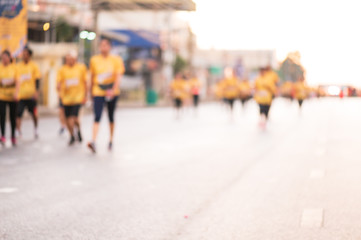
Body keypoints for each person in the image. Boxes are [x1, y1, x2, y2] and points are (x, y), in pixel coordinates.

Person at [87, 38, 125, 153]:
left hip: (112, 92)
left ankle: (111, 140)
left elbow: (118, 76)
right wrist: (89, 92)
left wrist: (113, 89)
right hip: (98, 91)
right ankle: (93, 140)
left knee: (111, 116)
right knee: (97, 116)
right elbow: (92, 76)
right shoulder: (94, 60)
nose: (103, 47)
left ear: (109, 47)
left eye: (106, 45)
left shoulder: (116, 60)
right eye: (101, 45)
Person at [57, 51, 87, 146]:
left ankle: (78, 130)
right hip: (66, 99)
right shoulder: (62, 70)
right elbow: (59, 82)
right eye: (67, 59)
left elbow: (85, 82)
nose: (69, 61)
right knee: (68, 119)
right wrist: (59, 88)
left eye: (71, 59)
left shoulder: (81, 68)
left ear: (75, 59)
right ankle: (72, 136)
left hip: (78, 97)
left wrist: (86, 96)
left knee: (74, 118)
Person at [16, 47, 41, 139]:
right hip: (21, 95)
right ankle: (18, 130)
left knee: (34, 113)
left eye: (26, 54)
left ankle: (36, 128)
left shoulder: (34, 66)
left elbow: (37, 79)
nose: (24, 56)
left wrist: (36, 92)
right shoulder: (18, 66)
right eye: (23, 54)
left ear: (29, 55)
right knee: (18, 113)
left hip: (31, 95)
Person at [0, 50, 19, 146]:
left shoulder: (14, 68)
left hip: (12, 97)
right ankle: (2, 135)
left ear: (9, 58)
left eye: (5, 58)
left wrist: (16, 93)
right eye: (2, 58)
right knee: (2, 115)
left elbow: (17, 82)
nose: (3, 60)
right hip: (2, 96)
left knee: (12, 117)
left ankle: (12, 136)